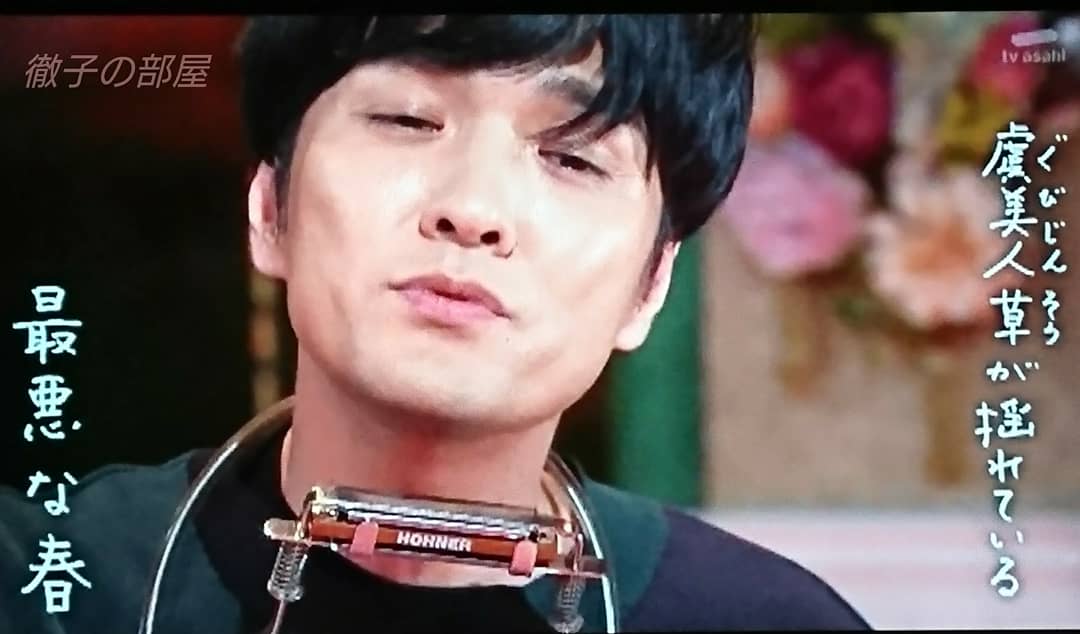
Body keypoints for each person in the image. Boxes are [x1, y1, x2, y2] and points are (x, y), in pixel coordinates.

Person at [1, 15, 871, 633]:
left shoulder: (758, 618)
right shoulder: (47, 585)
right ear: (271, 207)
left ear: (651, 285)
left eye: (571, 156)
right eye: (407, 119)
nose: (473, 209)